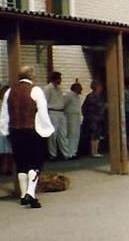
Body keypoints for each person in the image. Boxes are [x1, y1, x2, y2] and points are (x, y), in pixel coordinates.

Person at [0, 66, 55, 208]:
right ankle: (31, 193)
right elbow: (42, 113)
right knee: (36, 161)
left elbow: (4, 114)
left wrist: (5, 131)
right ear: (32, 76)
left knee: (21, 162)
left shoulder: (9, 92)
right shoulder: (35, 90)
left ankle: (23, 195)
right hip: (31, 130)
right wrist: (46, 130)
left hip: (14, 131)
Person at [44, 71, 71, 160]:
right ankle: (53, 154)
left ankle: (66, 154)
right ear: (55, 78)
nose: (60, 80)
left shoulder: (59, 89)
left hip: (61, 112)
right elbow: (45, 102)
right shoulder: (48, 88)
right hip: (52, 112)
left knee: (63, 133)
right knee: (53, 134)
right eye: (59, 78)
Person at [82, 80, 107, 158]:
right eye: (99, 87)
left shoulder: (100, 96)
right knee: (94, 135)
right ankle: (93, 152)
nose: (101, 88)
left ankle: (96, 151)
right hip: (93, 118)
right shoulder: (91, 96)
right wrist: (104, 106)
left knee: (98, 134)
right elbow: (91, 106)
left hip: (100, 118)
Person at [64, 79, 84, 158]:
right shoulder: (69, 95)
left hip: (77, 116)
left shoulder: (77, 97)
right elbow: (64, 104)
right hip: (70, 116)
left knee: (76, 134)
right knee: (71, 134)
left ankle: (74, 152)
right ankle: (69, 153)